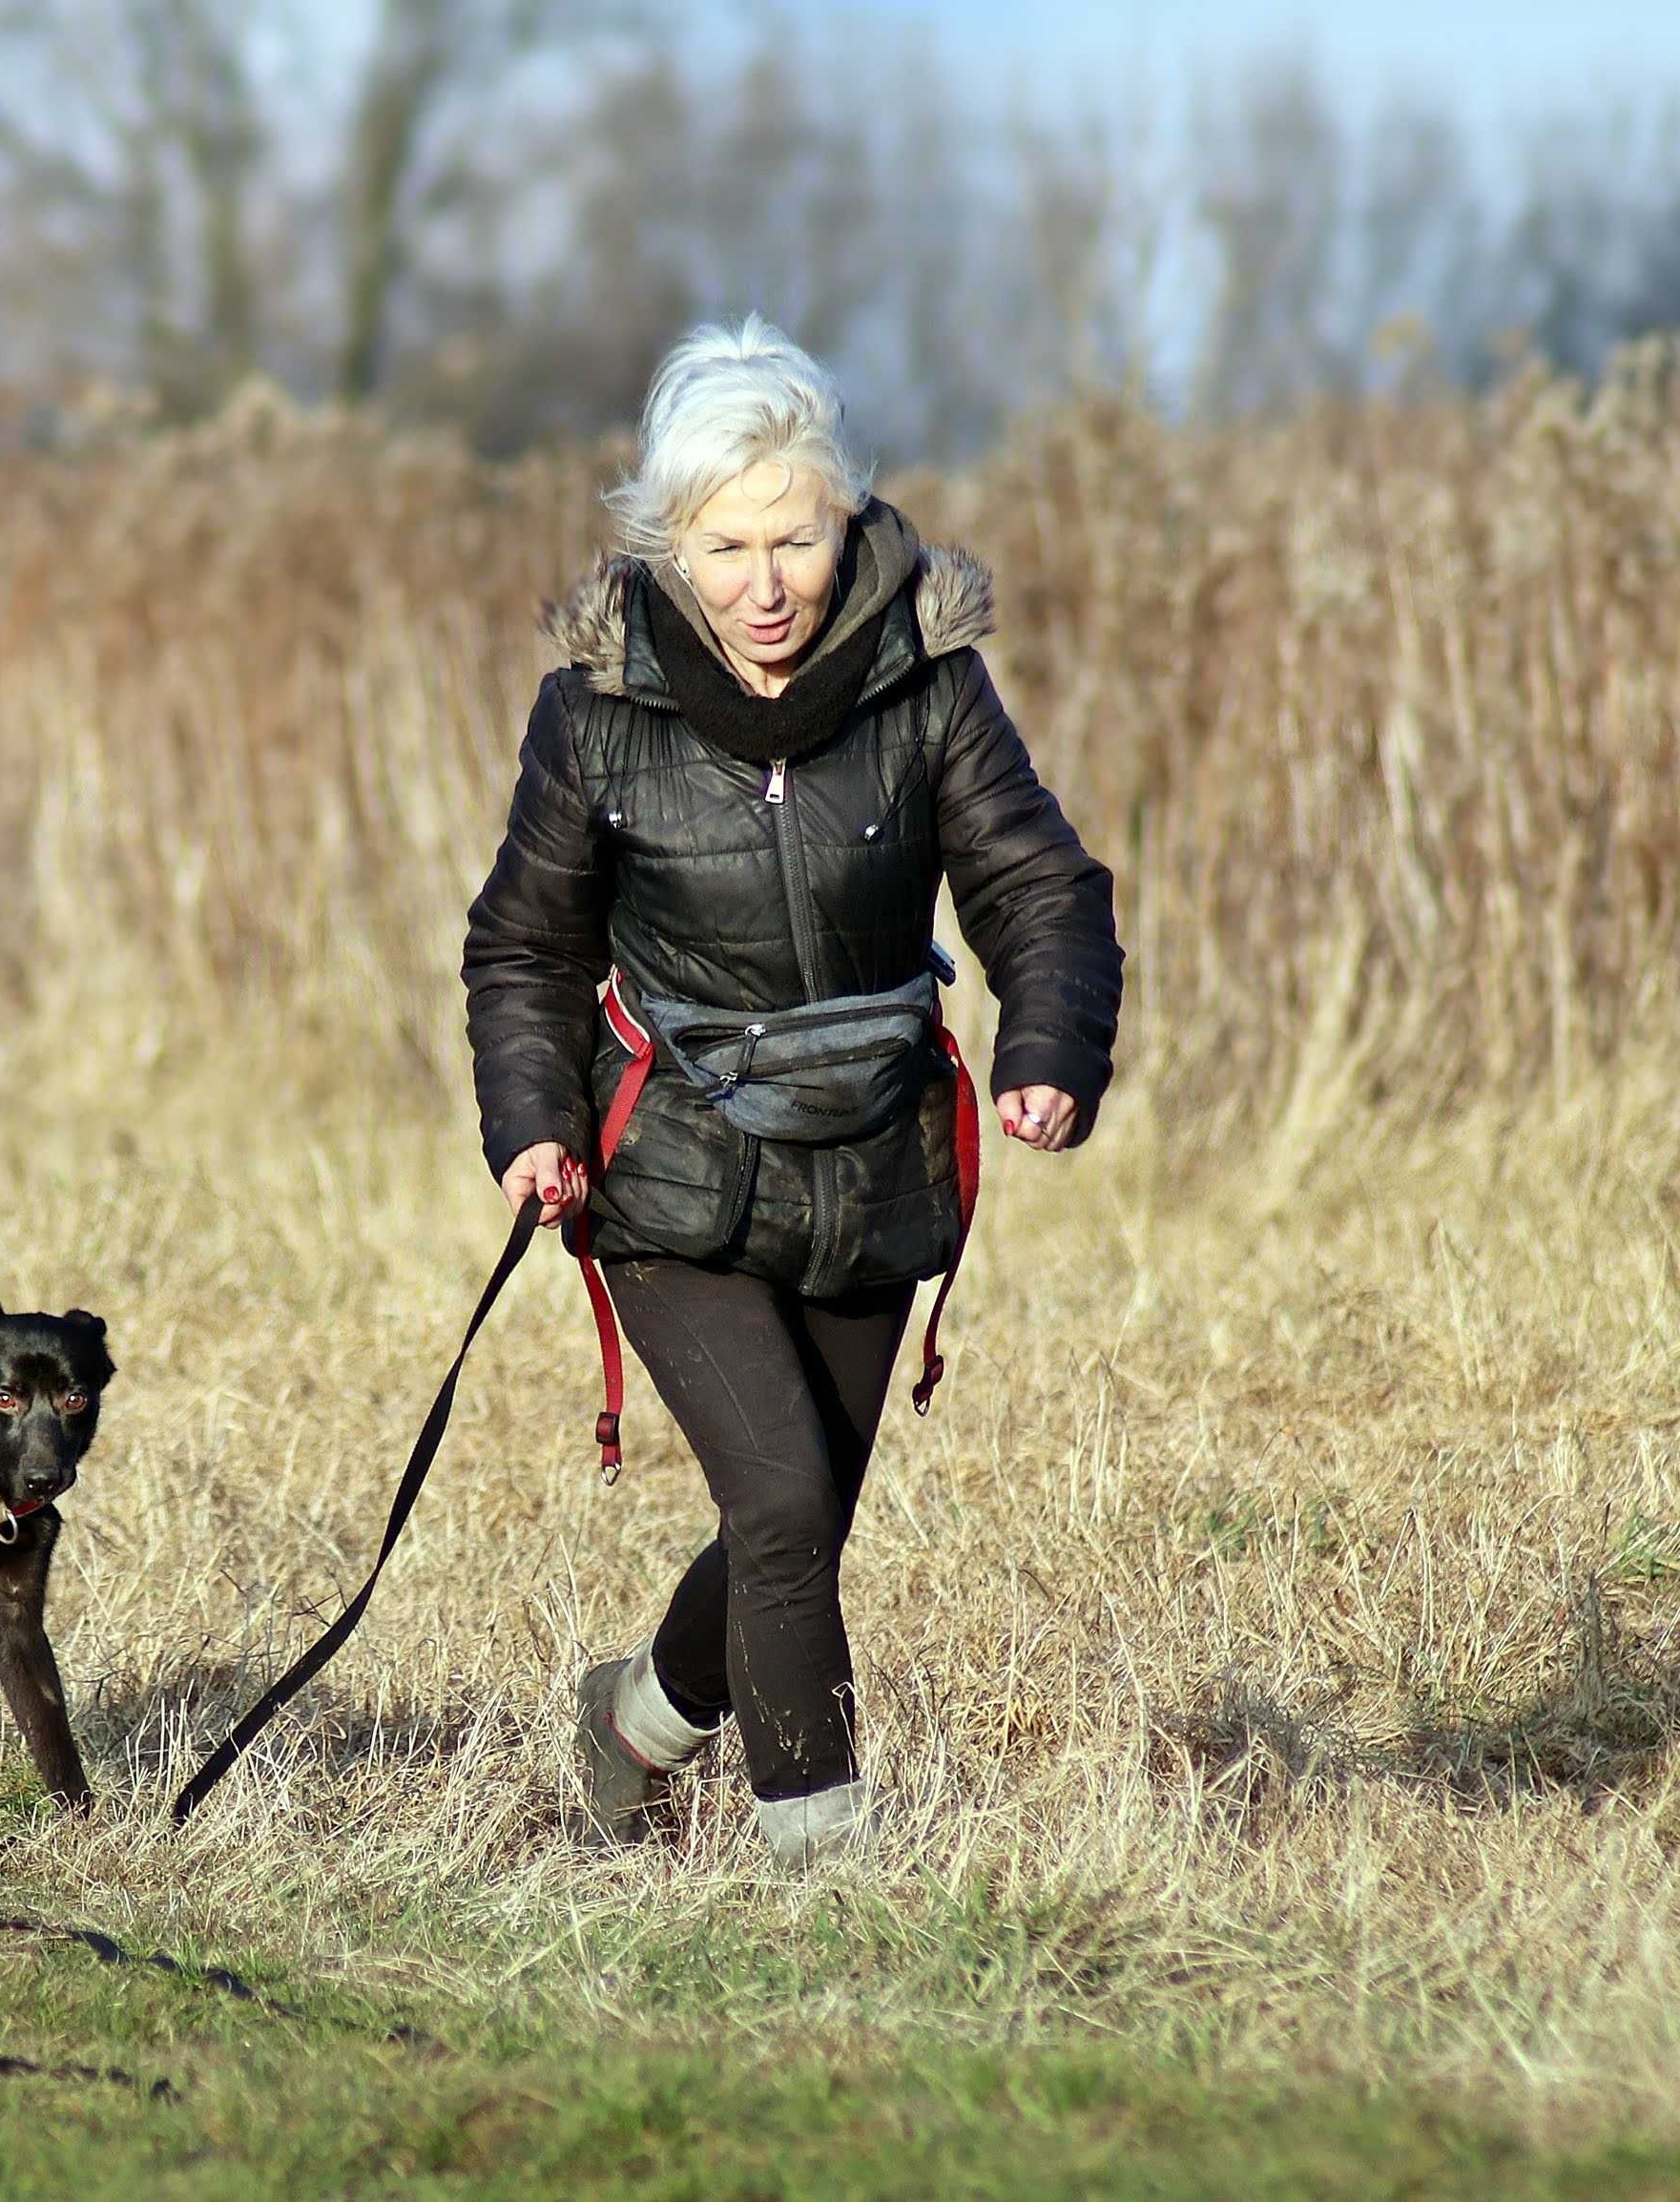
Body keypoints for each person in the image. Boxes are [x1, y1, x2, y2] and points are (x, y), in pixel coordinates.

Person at [461, 315, 1122, 1866]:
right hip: (668, 1164)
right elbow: (523, 946)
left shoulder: (931, 690)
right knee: (776, 1509)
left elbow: (1042, 891)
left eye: (798, 539)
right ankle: (823, 1866)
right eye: (727, 544)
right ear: (669, 542)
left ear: (851, 523)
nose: (767, 583)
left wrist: (1047, 1051)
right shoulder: (595, 708)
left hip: (874, 1159)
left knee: (803, 1520)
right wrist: (534, 1122)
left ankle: (634, 1722)